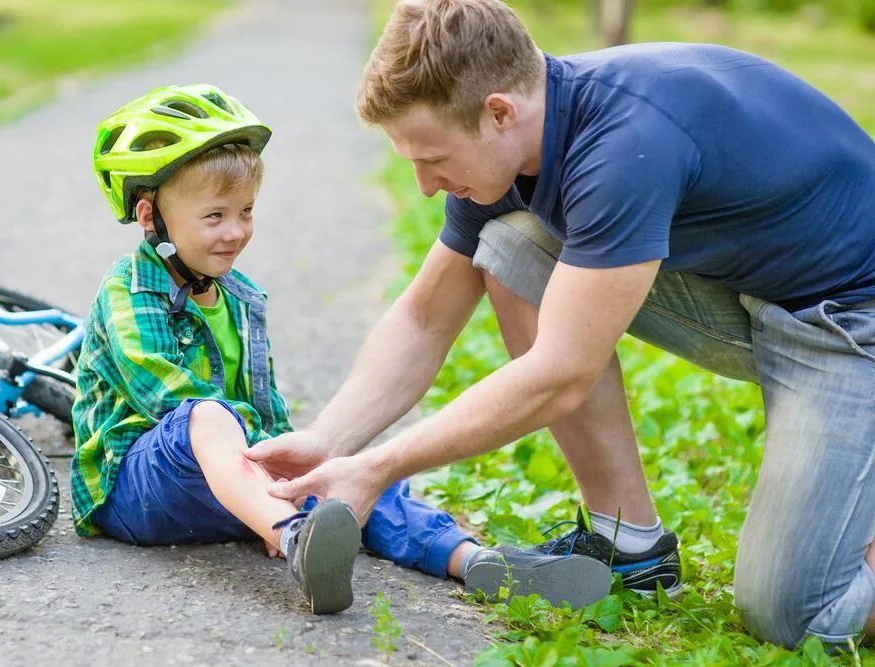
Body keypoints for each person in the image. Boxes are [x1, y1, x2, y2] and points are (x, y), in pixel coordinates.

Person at [245, 0, 875, 647]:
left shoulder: (623, 143)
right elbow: (427, 316)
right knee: (514, 244)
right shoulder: (517, 146)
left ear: (498, 112)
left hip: (850, 319)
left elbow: (561, 374)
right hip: (758, 295)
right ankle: (627, 541)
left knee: (796, 612)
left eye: (433, 157)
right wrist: (331, 440)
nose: (427, 185)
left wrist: (377, 467)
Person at [70, 83, 612, 615]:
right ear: (149, 216)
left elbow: (263, 404)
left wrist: (293, 468)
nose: (235, 232)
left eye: (247, 212)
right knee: (207, 416)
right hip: (135, 488)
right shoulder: (129, 289)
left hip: (232, 484)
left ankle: (476, 562)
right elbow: (166, 395)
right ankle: (294, 537)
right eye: (214, 216)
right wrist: (271, 479)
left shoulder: (239, 295)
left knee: (346, 474)